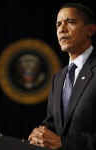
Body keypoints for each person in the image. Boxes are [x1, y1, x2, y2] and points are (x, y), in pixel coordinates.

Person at [28, 3, 96, 150]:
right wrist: (41, 134)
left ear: (90, 30)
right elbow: (53, 124)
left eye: (70, 22)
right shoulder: (58, 78)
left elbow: (62, 140)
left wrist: (65, 144)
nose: (61, 29)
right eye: (58, 24)